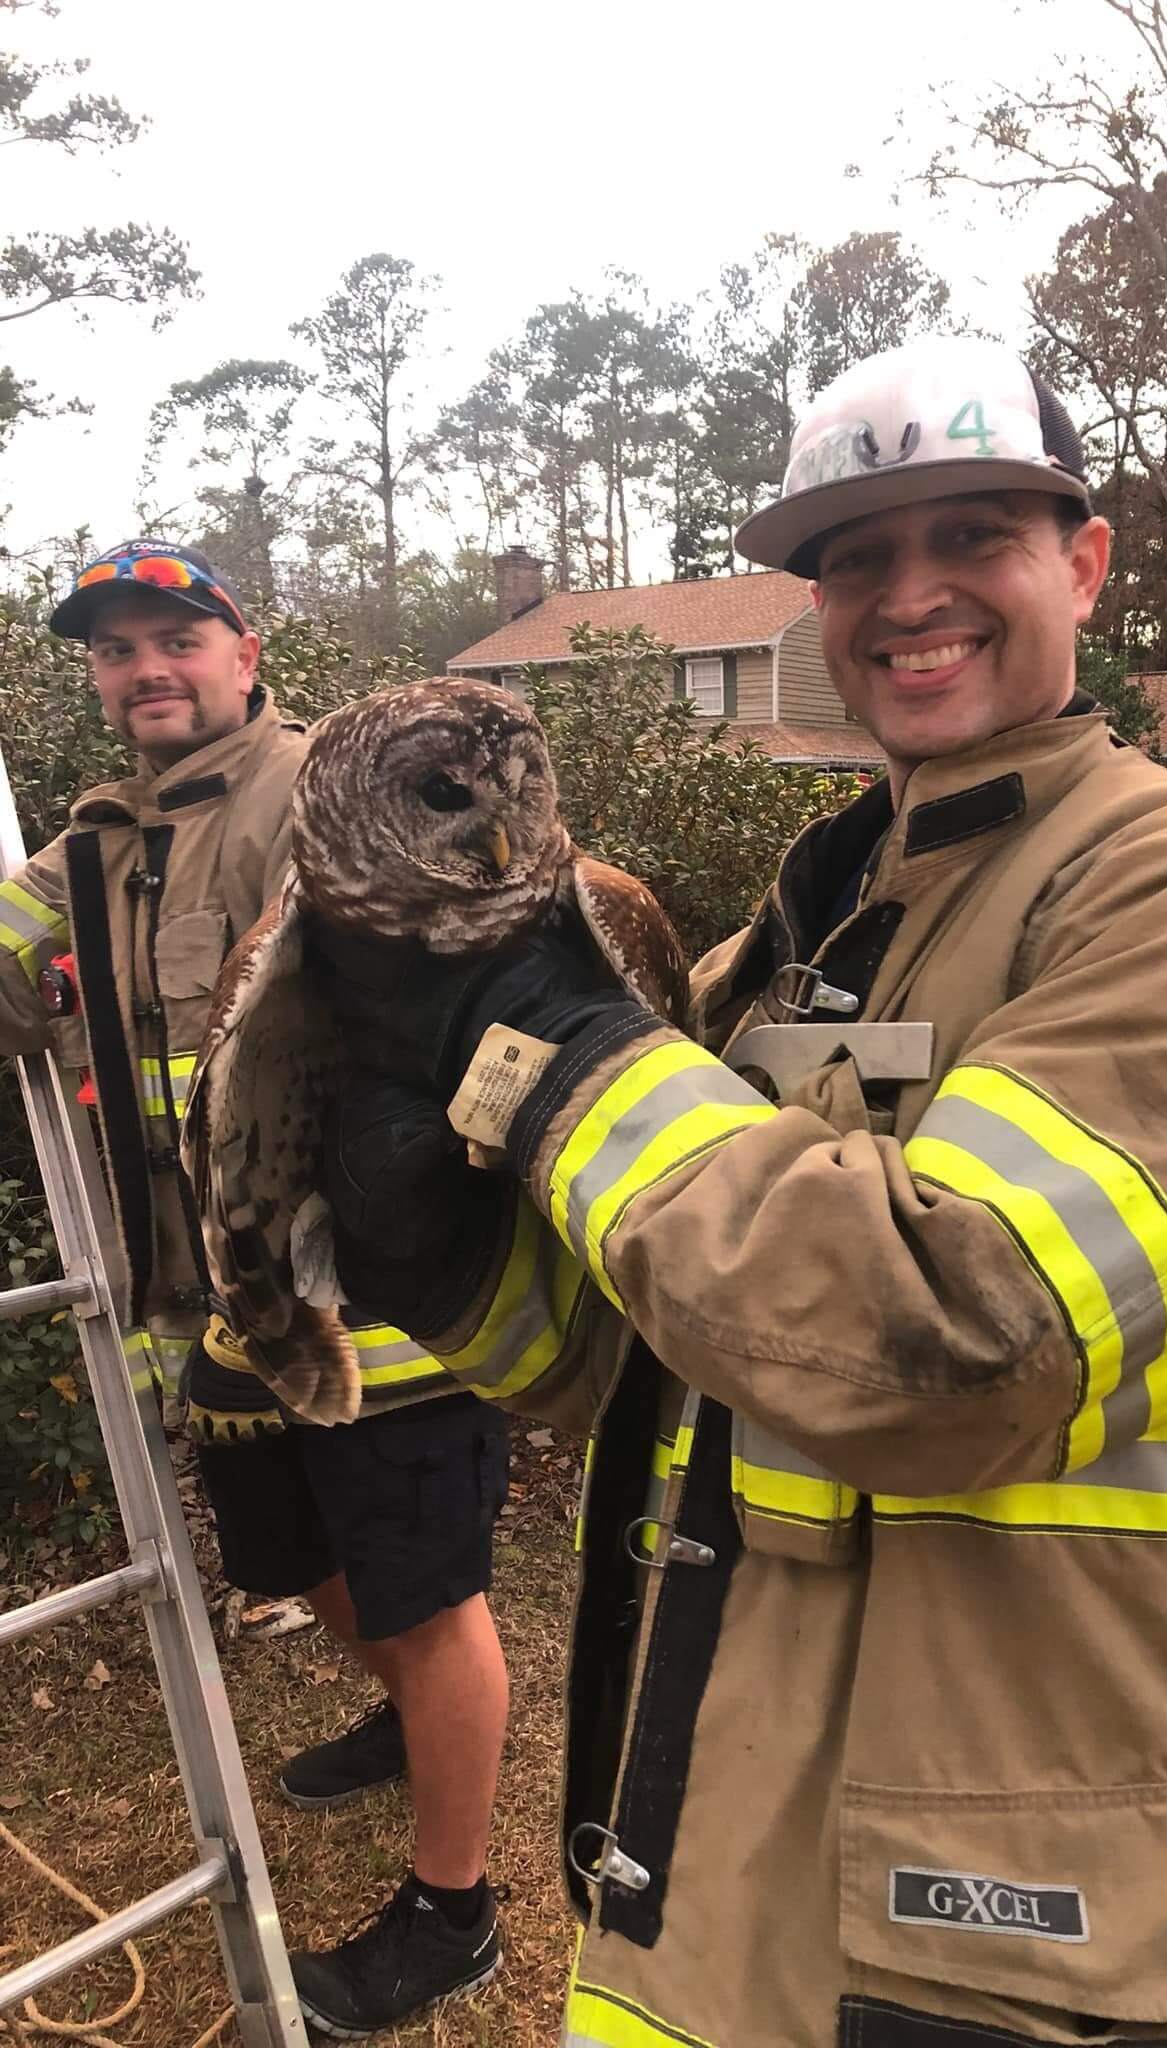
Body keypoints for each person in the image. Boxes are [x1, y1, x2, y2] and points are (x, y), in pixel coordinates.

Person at [320, 337, 1167, 2048]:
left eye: (973, 534)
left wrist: (567, 1062)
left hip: (1017, 1917)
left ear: (1087, 563)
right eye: (854, 558)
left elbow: (962, 1337)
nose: (910, 596)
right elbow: (675, 1358)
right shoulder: (809, 924)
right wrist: (436, 1251)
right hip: (729, 1868)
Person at [0, 540, 510, 2037]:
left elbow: (492, 957)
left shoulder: (334, 791)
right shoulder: (95, 840)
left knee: (431, 1594)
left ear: (246, 646)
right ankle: (408, 1720)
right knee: (293, 1559)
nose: (148, 666)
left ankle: (455, 1911)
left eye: (178, 635)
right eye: (117, 648)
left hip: (386, 1292)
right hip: (219, 1298)